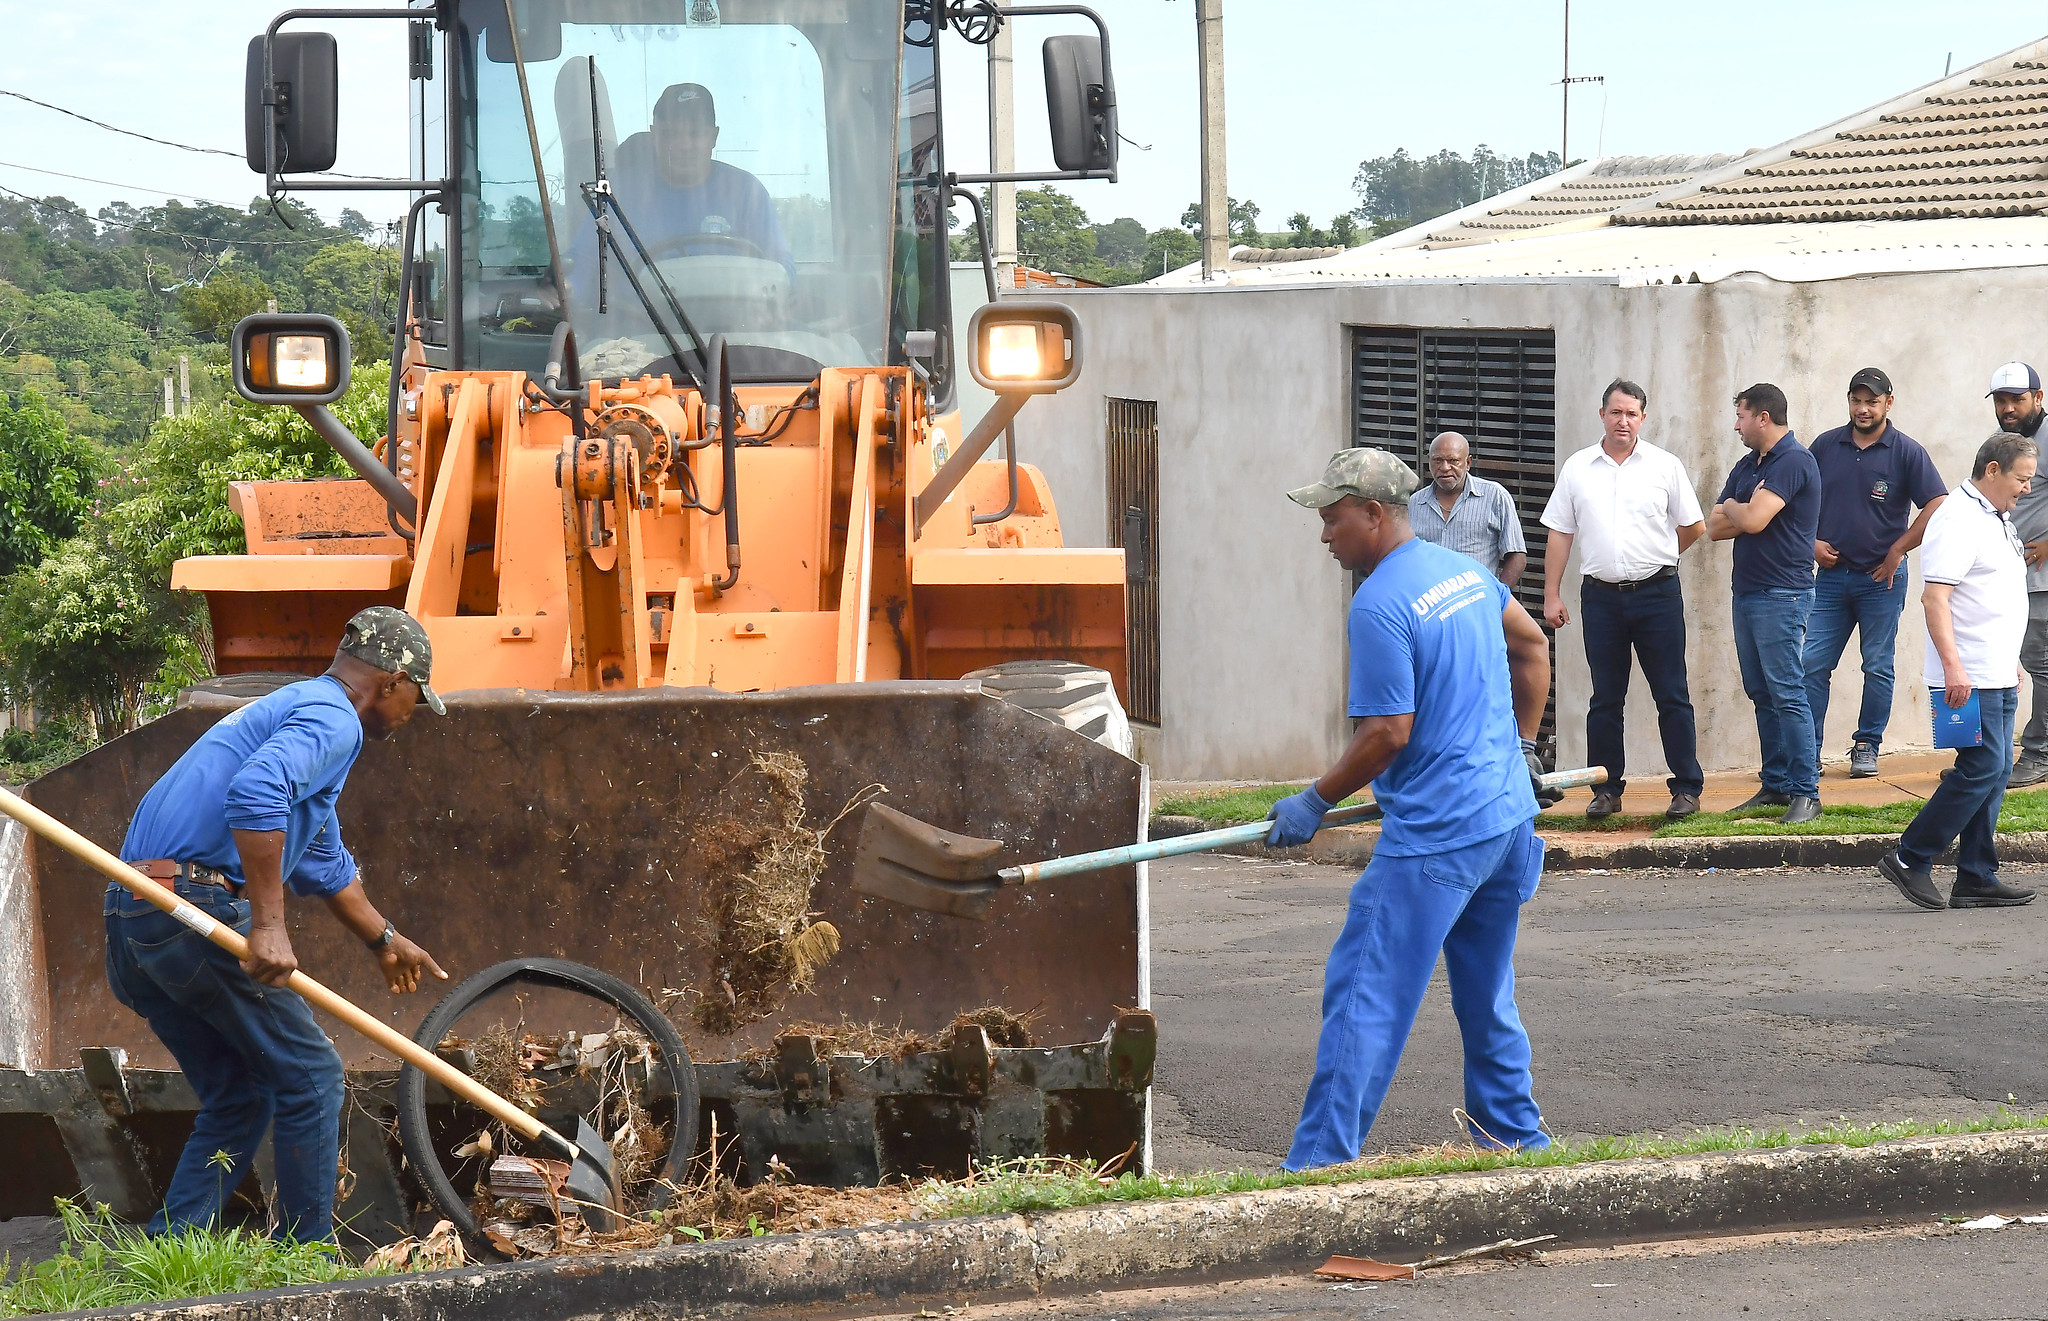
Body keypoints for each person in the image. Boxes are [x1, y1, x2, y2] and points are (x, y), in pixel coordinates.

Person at [110, 608, 451, 1242]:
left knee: (242, 1095)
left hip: (136, 915)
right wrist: (267, 924)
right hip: (193, 909)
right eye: (415, 698)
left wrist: (383, 938)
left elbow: (324, 864)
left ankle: (166, 1250)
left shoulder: (298, 710)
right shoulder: (333, 720)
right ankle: (303, 1265)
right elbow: (257, 791)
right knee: (313, 1078)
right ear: (392, 680)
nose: (412, 713)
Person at [1268, 447, 1555, 1170]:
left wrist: (1315, 798)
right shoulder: (1466, 572)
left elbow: (1389, 731)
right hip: (1507, 822)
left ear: (1375, 514)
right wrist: (1522, 745)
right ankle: (1514, 1136)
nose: (1325, 535)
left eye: (1333, 519)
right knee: (1487, 991)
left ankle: (1319, 1164)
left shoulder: (1379, 605)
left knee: (1365, 994)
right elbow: (1532, 647)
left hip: (1439, 836)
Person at [1879, 433, 2039, 911]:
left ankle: (1975, 875)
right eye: (2021, 479)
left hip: (1994, 672)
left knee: (1996, 768)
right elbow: (1936, 598)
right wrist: (1953, 668)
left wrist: (2008, 657)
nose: (2026, 489)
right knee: (1983, 766)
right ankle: (1911, 857)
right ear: (1992, 470)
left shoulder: (1994, 516)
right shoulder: (1957, 518)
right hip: (1965, 677)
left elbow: (1989, 594)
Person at [1540, 380, 1708, 821]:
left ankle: (1686, 788)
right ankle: (1606, 789)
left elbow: (1693, 526)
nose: (1623, 421)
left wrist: (1662, 555)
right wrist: (1551, 592)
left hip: (1657, 595)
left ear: (1643, 418)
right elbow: (1560, 532)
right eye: (1616, 413)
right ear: (1602, 415)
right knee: (1605, 699)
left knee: (1671, 694)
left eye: (1632, 414)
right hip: (1601, 598)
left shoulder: (1664, 466)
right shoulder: (1578, 468)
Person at [1802, 368, 1947, 780]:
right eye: (1856, 400)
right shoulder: (1826, 446)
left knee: (1877, 666)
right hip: (1830, 579)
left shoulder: (1906, 451)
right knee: (1811, 663)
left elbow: (1937, 503)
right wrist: (1810, 541)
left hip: (1881, 581)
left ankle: (1867, 744)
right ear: (1848, 400)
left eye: (1872, 401)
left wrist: (1898, 549)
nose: (1863, 409)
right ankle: (1806, 751)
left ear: (1889, 402)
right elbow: (1796, 496)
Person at [1709, 383, 1824, 825]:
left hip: (1784, 594)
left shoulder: (1794, 461)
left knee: (1787, 692)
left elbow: (1752, 520)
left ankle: (1806, 793)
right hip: (1748, 592)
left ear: (1763, 417)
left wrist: (1741, 509)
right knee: (1762, 693)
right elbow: (1715, 526)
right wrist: (1744, 508)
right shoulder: (1748, 465)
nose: (1736, 424)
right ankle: (1776, 785)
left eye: (1740, 415)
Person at [569, 81, 793, 291]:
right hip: (634, 329)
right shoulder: (615, 195)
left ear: (713, 137)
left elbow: (782, 269)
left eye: (695, 134)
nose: (683, 145)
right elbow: (580, 266)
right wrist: (560, 287)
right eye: (670, 134)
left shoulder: (746, 192)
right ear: (654, 136)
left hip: (738, 328)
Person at [1991, 363, 2048, 786]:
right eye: (2002, 400)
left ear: (2038, 398)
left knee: (2040, 664)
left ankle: (2039, 754)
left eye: (2018, 399)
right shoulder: (2004, 444)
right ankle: (1988, 761)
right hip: (2009, 578)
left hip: (2041, 579)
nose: (2009, 407)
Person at [1407, 431, 1529, 585]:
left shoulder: (1494, 496)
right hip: (1428, 604)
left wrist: (1497, 598)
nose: (1444, 468)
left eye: (1453, 460)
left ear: (1468, 463)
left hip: (1477, 603)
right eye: (1437, 460)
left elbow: (1517, 556)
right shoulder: (1414, 503)